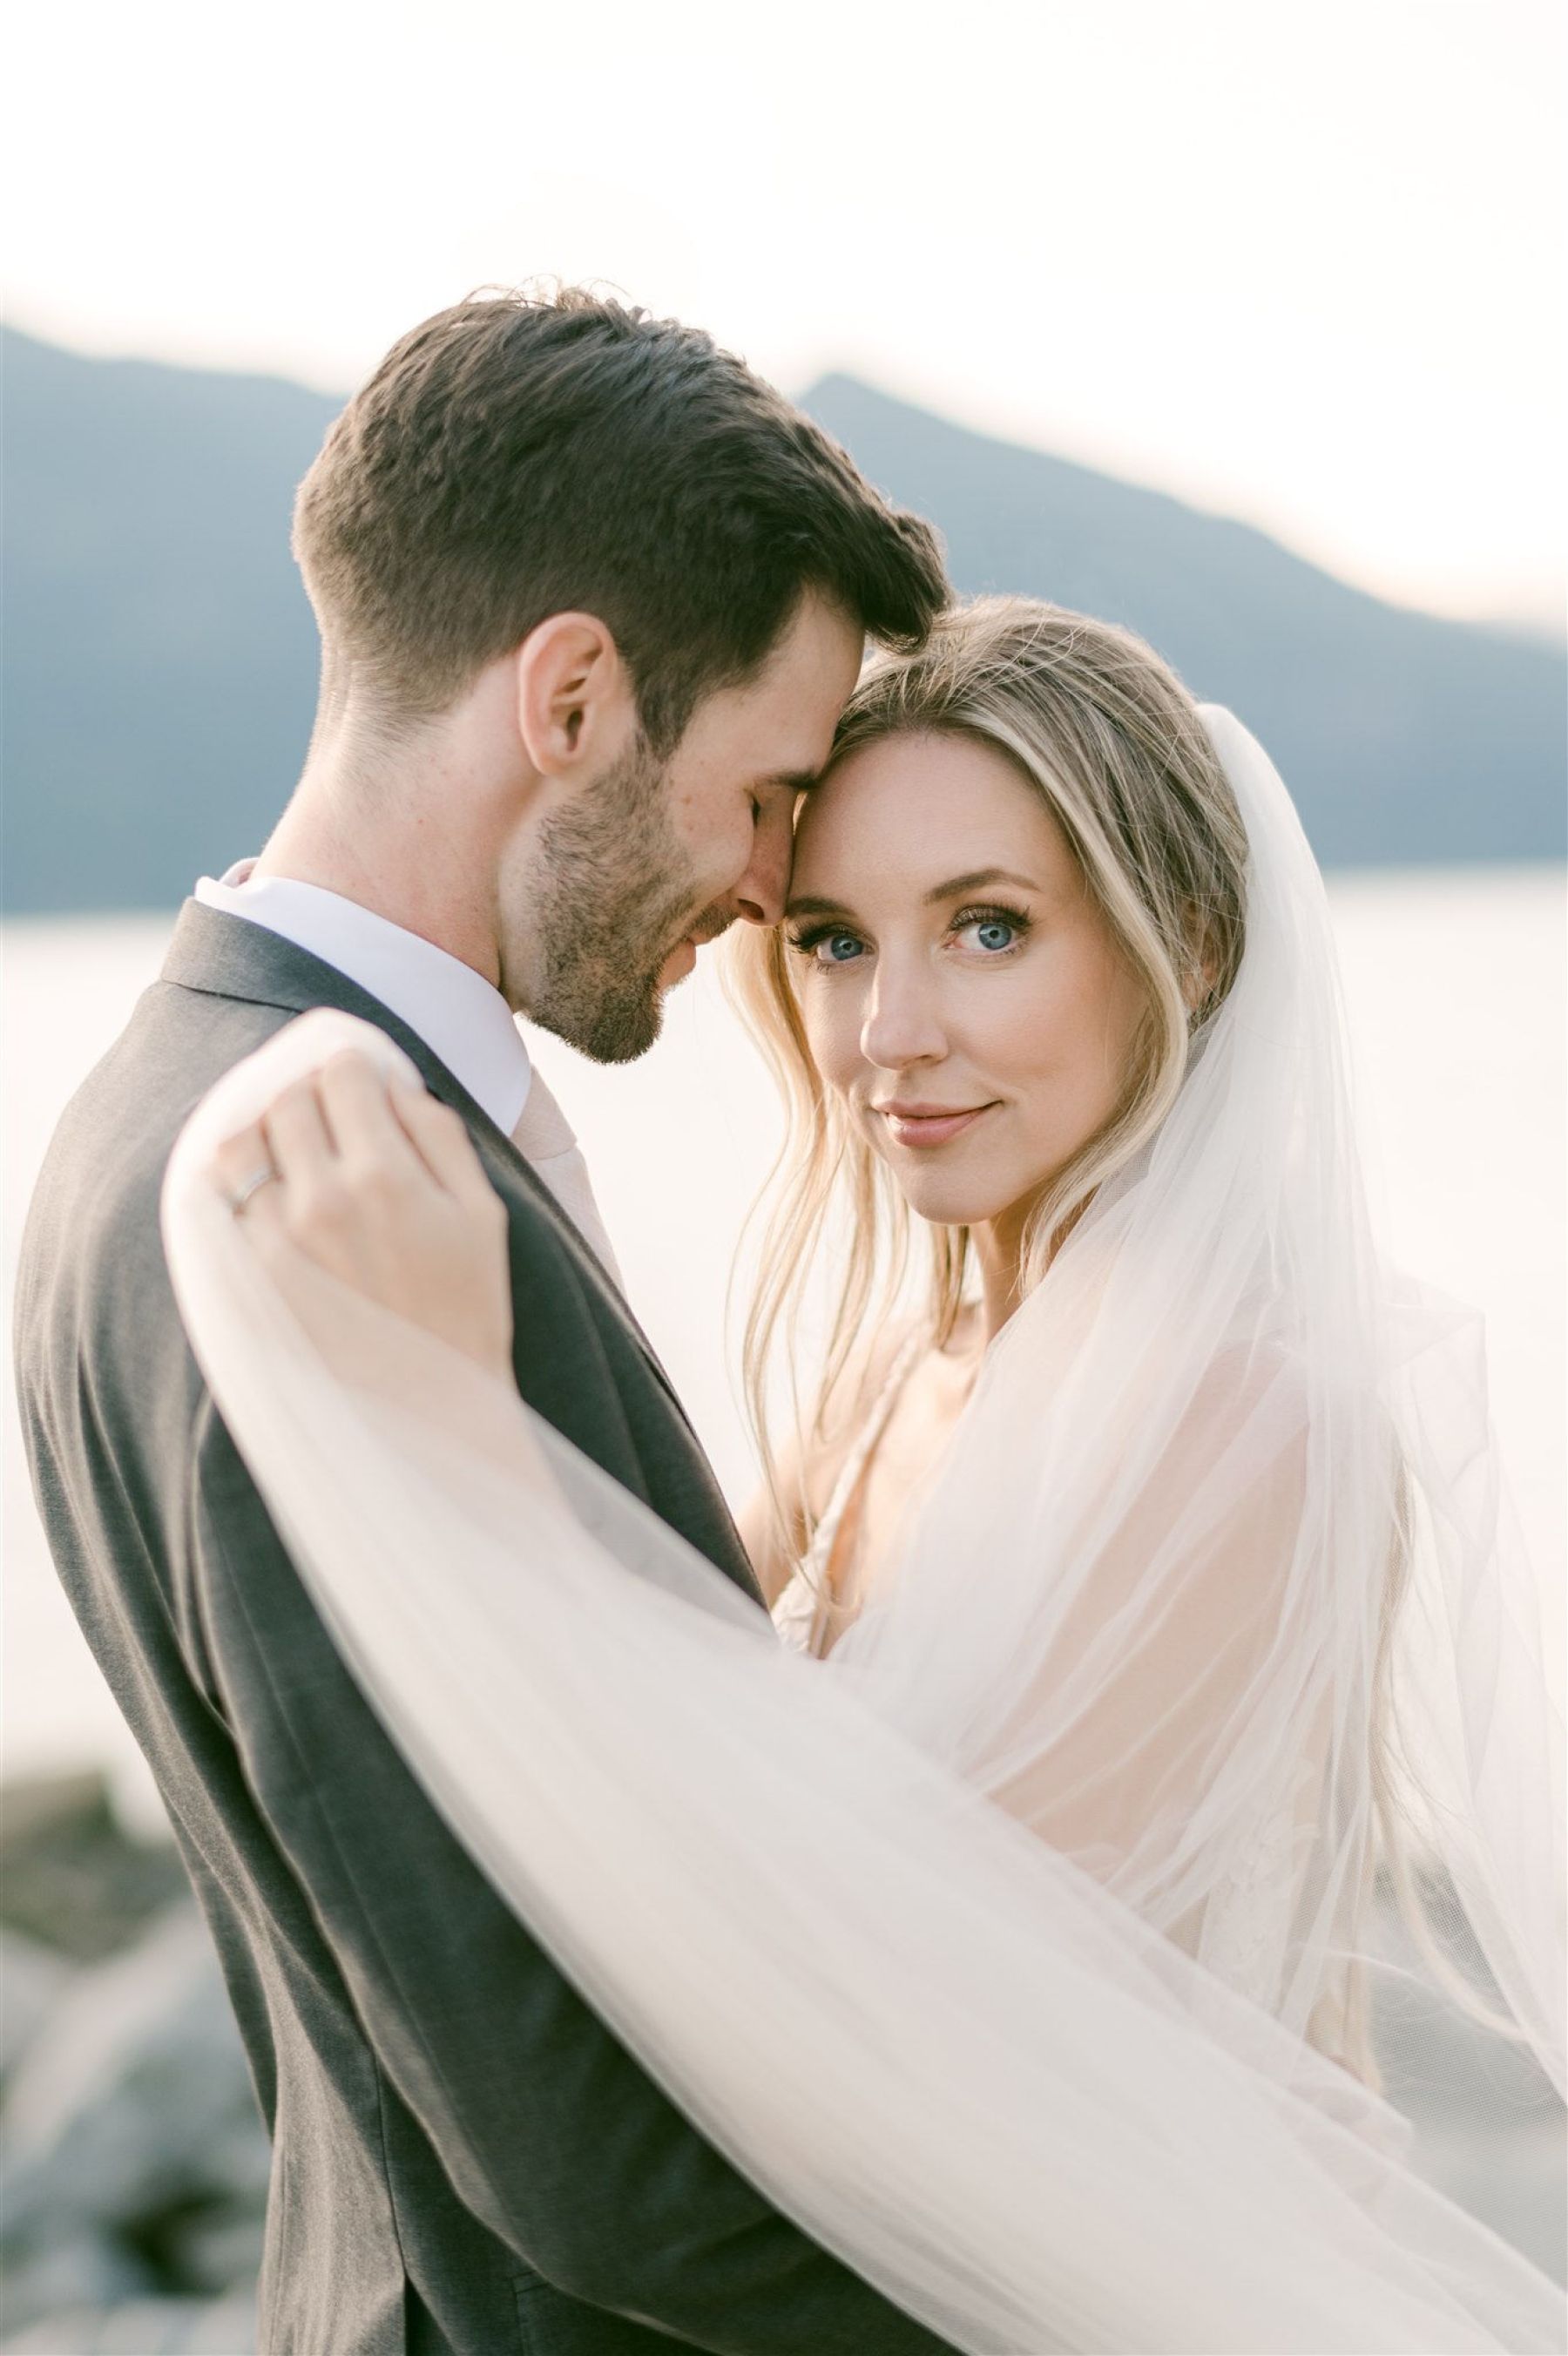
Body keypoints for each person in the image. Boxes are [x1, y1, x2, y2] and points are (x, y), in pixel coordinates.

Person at [165, 601, 1565, 2353]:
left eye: (987, 928)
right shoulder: (892, 1375)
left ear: (1187, 944)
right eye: (834, 940)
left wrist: (465, 1438)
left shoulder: (1243, 1419)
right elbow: (683, 1774)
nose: (890, 1030)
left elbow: (939, 2025)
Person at [12, 286, 954, 2353]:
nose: (772, 881)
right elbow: (576, 2140)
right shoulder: (307, 1195)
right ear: (575, 698)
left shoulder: (158, 1105)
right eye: (773, 784)